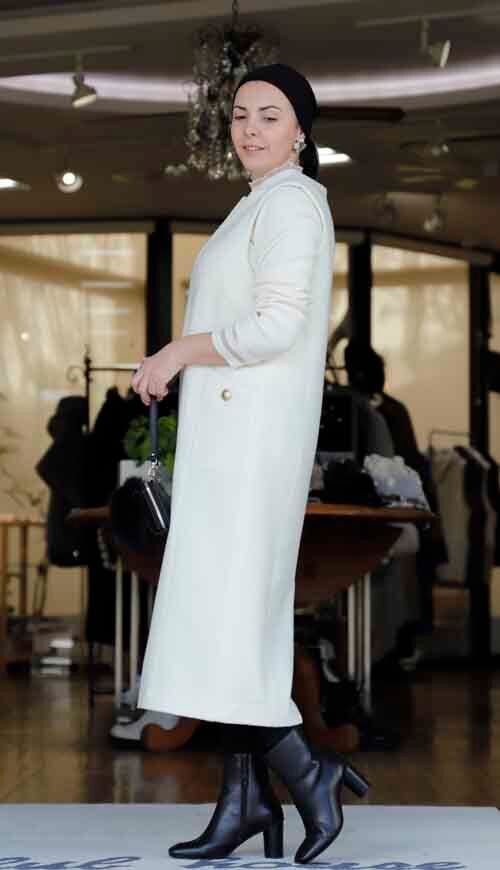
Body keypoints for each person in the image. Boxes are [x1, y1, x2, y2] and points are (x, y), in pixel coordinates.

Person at [130, 63, 369, 863]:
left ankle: (308, 769)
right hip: (232, 442)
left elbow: (276, 326)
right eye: (239, 113)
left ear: (301, 129)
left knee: (228, 623)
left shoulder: (293, 202)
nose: (250, 128)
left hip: (250, 447)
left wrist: (177, 352)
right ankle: (246, 803)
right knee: (227, 626)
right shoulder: (261, 201)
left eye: (270, 114)